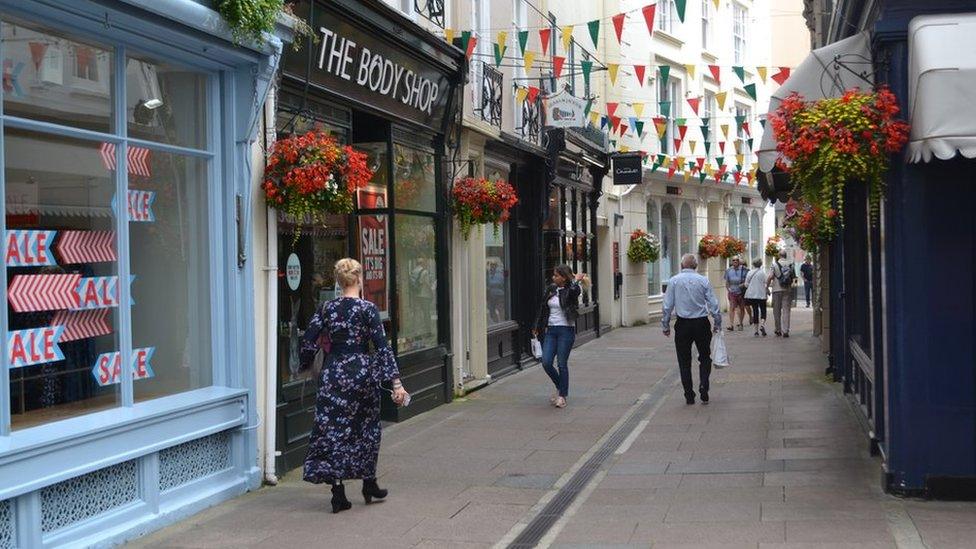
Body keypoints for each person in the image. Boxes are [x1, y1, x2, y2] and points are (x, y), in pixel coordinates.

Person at [300, 258, 410, 513]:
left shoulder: (326, 308)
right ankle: (368, 482)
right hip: (361, 374)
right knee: (367, 429)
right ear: (360, 279)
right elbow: (382, 348)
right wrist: (396, 383)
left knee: (334, 431)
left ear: (338, 282)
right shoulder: (368, 309)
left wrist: (307, 365)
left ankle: (338, 492)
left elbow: (308, 341)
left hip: (334, 373)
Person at [662, 254, 722, 405]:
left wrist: (665, 324)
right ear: (696, 266)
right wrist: (717, 321)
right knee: (704, 356)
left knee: (684, 361)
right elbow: (713, 303)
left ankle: (689, 394)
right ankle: (704, 385)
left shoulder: (674, 281)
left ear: (682, 266)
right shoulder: (703, 280)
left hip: (683, 325)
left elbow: (667, 305)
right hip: (701, 323)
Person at [533, 265, 584, 409]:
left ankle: (562, 395)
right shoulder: (551, 289)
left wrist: (576, 281)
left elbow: (572, 293)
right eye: (553, 275)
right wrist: (536, 326)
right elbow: (543, 307)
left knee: (562, 363)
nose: (553, 278)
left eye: (556, 275)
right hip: (551, 330)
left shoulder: (572, 289)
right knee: (546, 362)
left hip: (566, 330)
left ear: (563, 277)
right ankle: (560, 386)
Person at [769, 251, 796, 337]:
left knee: (776, 310)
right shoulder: (791, 264)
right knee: (786, 310)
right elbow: (794, 277)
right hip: (787, 289)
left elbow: (771, 276)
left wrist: (767, 286)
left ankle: (778, 329)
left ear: (779, 256)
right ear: (786, 255)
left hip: (777, 289)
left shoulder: (774, 264)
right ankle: (786, 330)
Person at [744, 258, 770, 337]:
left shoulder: (749, 272)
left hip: (752, 295)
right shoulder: (763, 273)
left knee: (755, 311)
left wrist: (751, 287)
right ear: (761, 264)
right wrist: (767, 289)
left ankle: (756, 331)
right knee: (763, 310)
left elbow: (746, 284)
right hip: (761, 295)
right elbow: (766, 283)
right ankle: (762, 325)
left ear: (753, 264)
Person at [724, 256, 749, 331]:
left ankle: (740, 323)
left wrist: (744, 284)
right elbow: (727, 282)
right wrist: (729, 289)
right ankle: (731, 325)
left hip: (741, 292)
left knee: (741, 308)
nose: (735, 261)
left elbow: (748, 280)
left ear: (739, 261)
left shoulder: (745, 270)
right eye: (733, 260)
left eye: (736, 260)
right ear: (731, 261)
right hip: (732, 292)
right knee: (731, 308)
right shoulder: (728, 270)